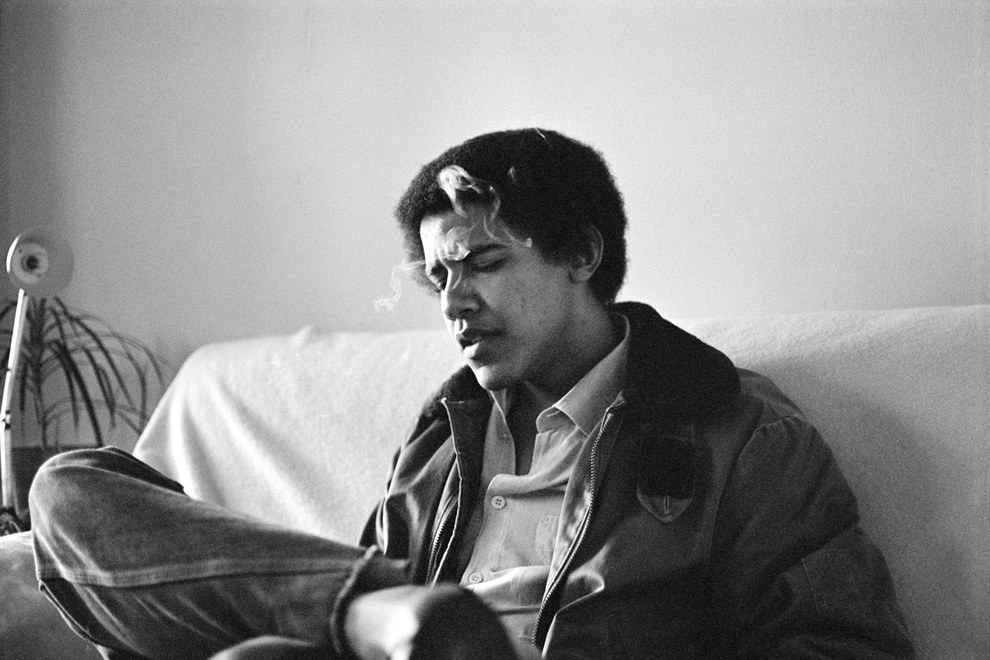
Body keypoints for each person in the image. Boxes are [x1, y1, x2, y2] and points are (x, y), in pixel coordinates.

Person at [29, 128, 914, 659]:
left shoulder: (736, 432)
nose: (453, 303)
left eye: (483, 263)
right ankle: (380, 609)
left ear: (581, 255)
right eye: (439, 276)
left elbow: (841, 646)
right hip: (397, 644)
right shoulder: (441, 437)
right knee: (69, 489)